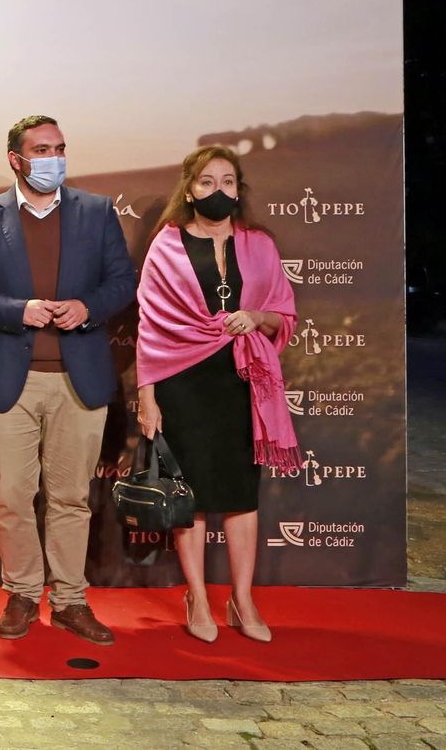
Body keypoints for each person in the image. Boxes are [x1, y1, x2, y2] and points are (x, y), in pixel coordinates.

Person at [0, 115, 136, 646]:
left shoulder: (96, 211)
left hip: (80, 380)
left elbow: (123, 282)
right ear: (16, 159)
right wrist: (18, 310)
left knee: (72, 498)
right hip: (10, 380)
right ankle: (23, 593)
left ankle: (71, 600)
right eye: (42, 150)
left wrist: (87, 307)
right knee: (11, 497)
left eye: (60, 148)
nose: (54, 158)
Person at [136, 145, 299, 644]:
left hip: (242, 382)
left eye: (227, 181)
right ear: (189, 190)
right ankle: (198, 596)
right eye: (207, 182)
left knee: (240, 494)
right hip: (182, 383)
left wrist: (257, 317)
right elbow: (150, 326)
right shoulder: (166, 245)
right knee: (194, 495)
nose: (218, 191)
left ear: (238, 189)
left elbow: (283, 313)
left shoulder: (260, 244)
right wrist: (147, 397)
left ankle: (242, 599)